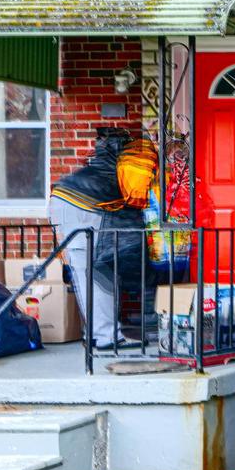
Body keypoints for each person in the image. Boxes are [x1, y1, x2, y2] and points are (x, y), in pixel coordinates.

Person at [47, 130, 153, 348]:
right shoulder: (132, 162)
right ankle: (105, 337)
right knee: (97, 273)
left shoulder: (104, 160)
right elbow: (134, 200)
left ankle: (97, 333)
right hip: (81, 208)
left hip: (68, 202)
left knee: (94, 272)